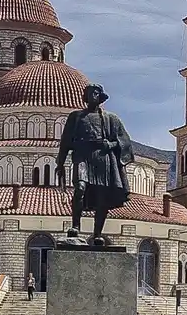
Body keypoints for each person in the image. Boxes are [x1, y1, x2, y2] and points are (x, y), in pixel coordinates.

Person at [56, 84, 134, 245]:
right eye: (90, 93)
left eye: (96, 93)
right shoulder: (76, 117)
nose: (93, 95)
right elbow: (65, 141)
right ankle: (76, 226)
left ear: (100, 96)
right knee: (80, 188)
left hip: (102, 157)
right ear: (85, 96)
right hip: (82, 155)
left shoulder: (111, 119)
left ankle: (97, 234)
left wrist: (110, 145)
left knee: (101, 197)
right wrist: (60, 163)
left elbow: (124, 142)